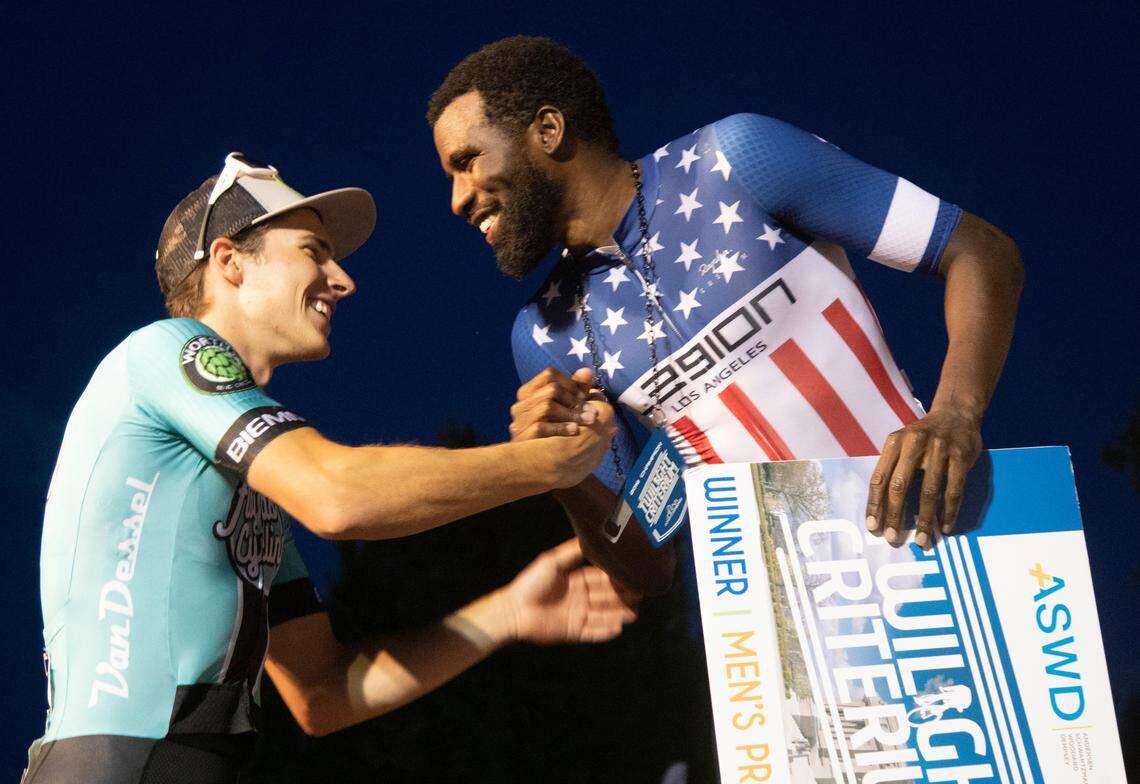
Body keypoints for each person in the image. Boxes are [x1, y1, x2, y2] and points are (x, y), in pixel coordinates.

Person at [23, 153, 634, 784]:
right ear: (230, 262)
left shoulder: (240, 480)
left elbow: (323, 691)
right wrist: (548, 463)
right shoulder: (167, 348)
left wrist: (507, 612)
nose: (343, 280)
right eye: (314, 251)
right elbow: (338, 496)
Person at [427, 36, 1023, 596]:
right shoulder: (543, 337)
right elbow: (650, 570)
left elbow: (980, 250)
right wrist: (562, 476)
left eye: (467, 161)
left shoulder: (738, 160)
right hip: (800, 640)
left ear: (549, 130)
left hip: (949, 535)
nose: (456, 199)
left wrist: (954, 415)